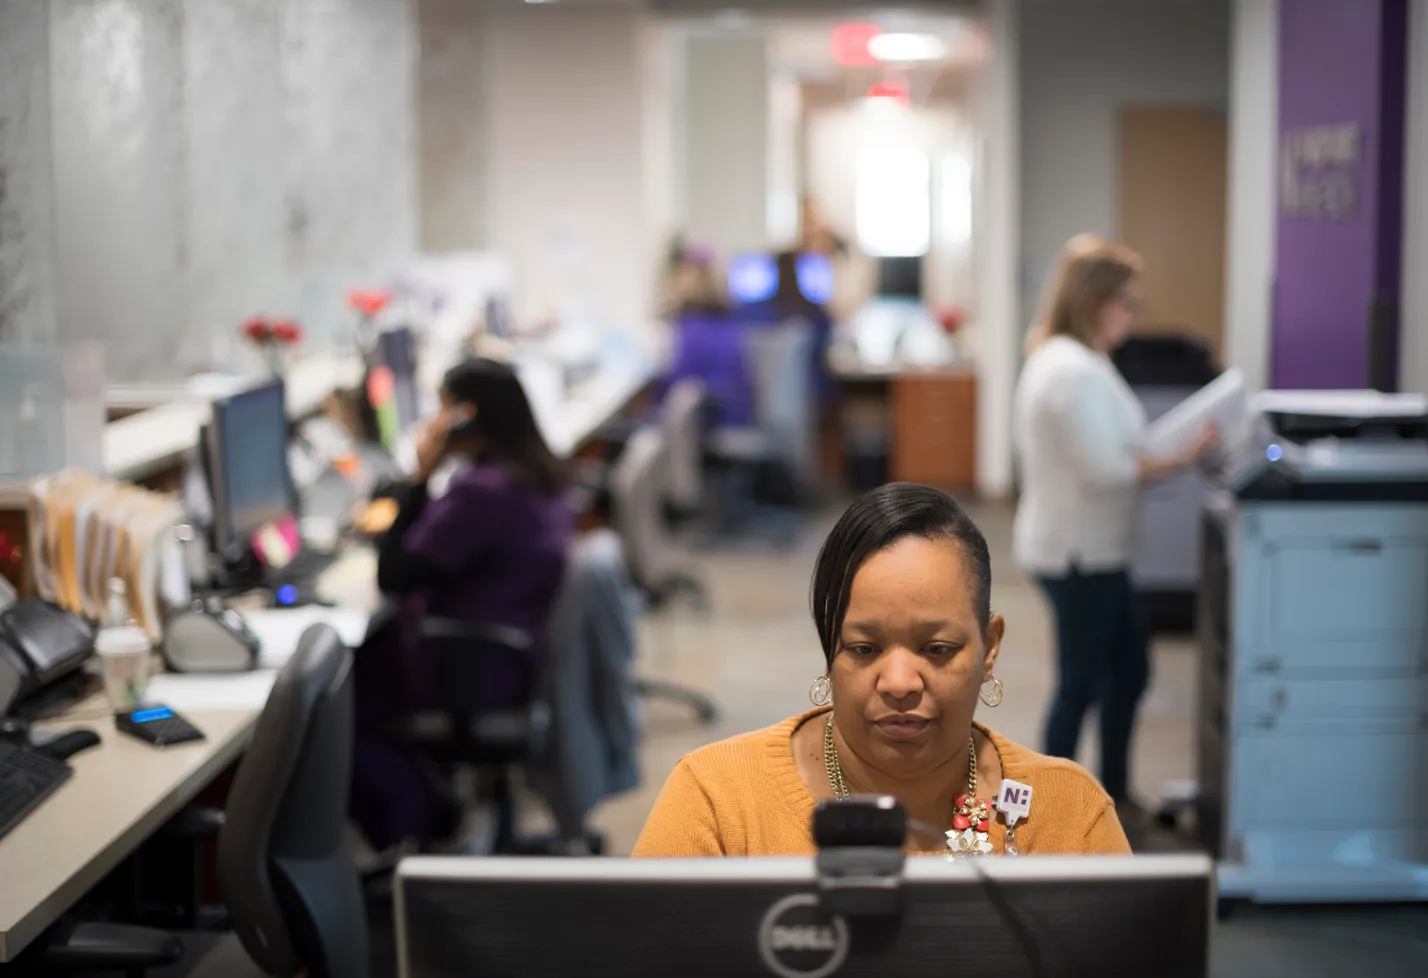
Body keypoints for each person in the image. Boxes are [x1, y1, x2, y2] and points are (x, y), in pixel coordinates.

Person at [633, 483, 1130, 857]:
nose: (898, 684)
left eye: (937, 649)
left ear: (989, 646)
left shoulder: (1068, 819)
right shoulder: (718, 805)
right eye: (865, 649)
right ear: (830, 648)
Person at [1013, 235, 1217, 812]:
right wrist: (1181, 456)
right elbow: (1105, 468)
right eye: (1127, 301)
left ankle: (1114, 793)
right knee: (1081, 682)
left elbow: (1117, 444)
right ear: (1094, 300)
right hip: (1078, 554)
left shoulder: (1085, 360)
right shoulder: (1069, 371)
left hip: (1098, 550)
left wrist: (1171, 446)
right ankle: (1048, 807)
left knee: (1126, 671)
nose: (1134, 313)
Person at [349, 357, 574, 852]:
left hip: (470, 670)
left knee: (332, 709)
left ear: (465, 417)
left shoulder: (483, 492)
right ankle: (429, 811)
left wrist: (419, 474)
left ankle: (421, 824)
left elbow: (394, 575)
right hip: (509, 658)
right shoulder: (535, 472)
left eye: (442, 410)